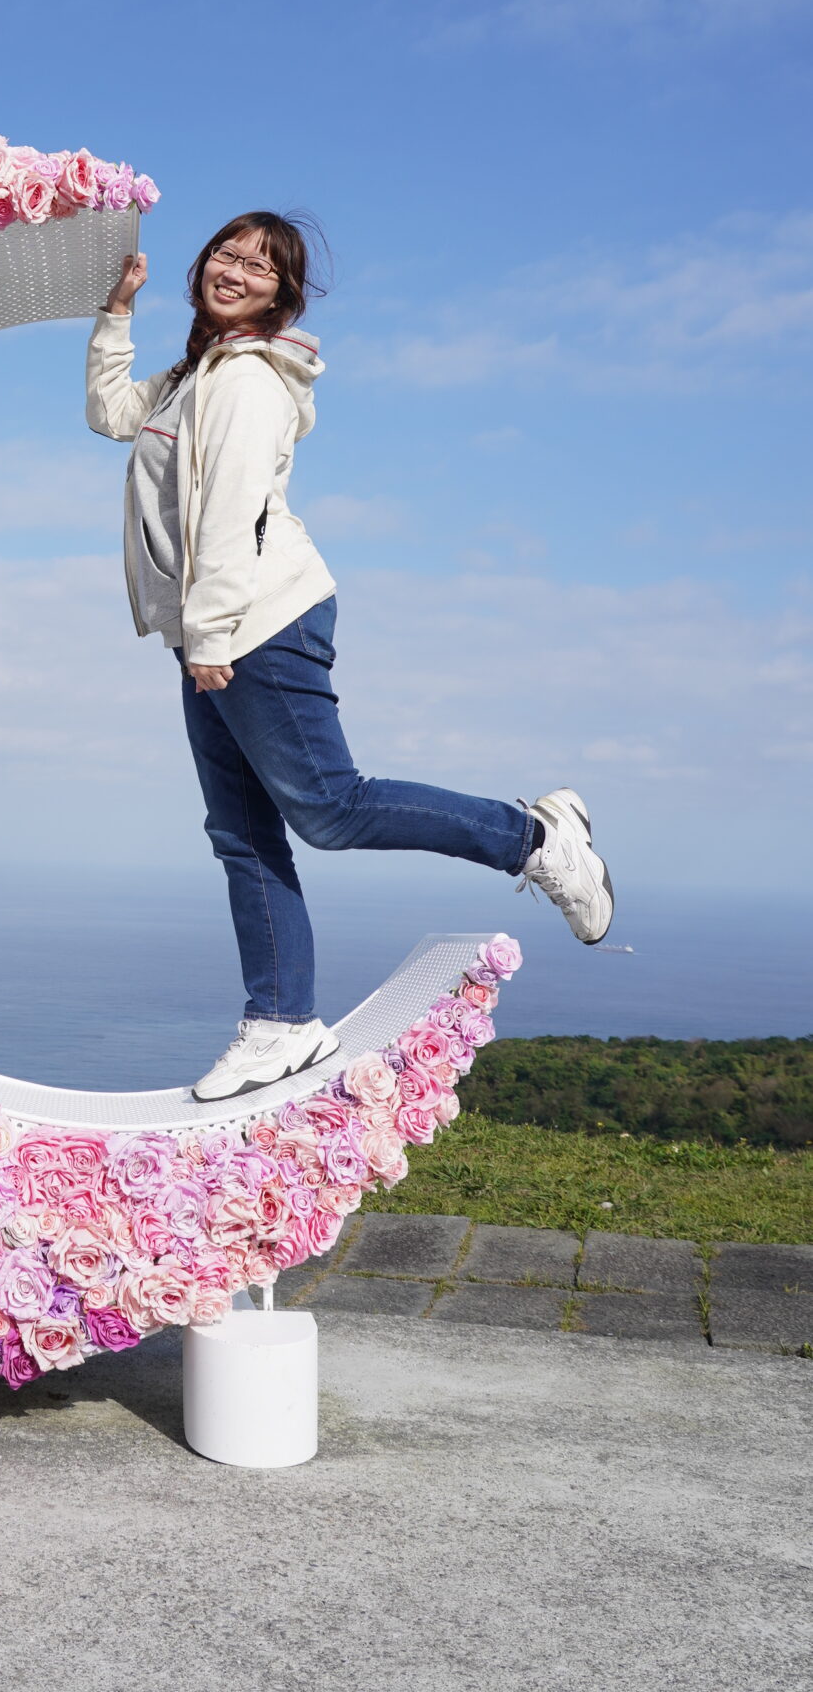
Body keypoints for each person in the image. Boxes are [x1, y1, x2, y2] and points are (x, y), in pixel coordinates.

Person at [86, 211, 614, 1102]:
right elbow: (109, 414)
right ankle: (279, 1024)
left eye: (260, 265)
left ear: (282, 296)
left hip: (258, 620)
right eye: (227, 252)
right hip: (209, 630)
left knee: (328, 809)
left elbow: (234, 515)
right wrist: (115, 315)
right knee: (242, 834)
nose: (237, 269)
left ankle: (533, 838)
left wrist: (210, 637)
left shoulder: (248, 382)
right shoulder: (193, 376)